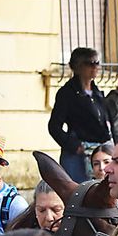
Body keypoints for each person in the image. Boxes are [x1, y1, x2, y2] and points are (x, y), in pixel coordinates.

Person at [48, 47, 111, 182]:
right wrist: (74, 145)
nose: (95, 67)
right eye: (89, 63)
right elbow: (54, 126)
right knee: (78, 193)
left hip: (98, 153)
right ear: (76, 67)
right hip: (78, 154)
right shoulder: (67, 93)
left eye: (97, 62)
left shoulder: (97, 92)